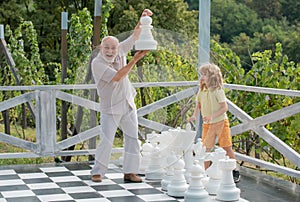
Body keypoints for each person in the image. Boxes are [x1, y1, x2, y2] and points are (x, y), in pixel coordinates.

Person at [90, 9, 153, 183]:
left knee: (133, 138)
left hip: (127, 103)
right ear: (100, 48)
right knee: (107, 140)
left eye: (113, 47)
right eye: (106, 47)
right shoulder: (97, 63)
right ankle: (98, 172)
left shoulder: (120, 51)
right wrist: (135, 60)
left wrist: (143, 18)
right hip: (110, 107)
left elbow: (135, 35)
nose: (110, 51)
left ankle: (130, 171)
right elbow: (118, 77)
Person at [187, 63, 240, 183]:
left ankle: (235, 170)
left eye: (204, 75)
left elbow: (224, 107)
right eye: (201, 75)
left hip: (221, 122)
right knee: (205, 149)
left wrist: (212, 116)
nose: (202, 77)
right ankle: (204, 172)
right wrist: (194, 116)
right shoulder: (202, 90)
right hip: (207, 125)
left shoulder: (217, 91)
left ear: (212, 76)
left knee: (226, 147)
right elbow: (198, 105)